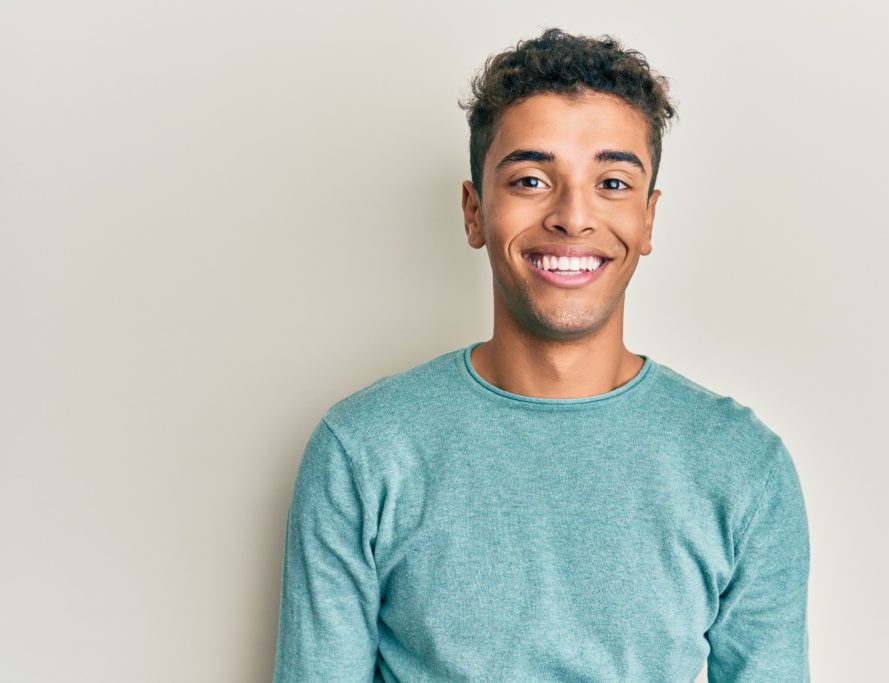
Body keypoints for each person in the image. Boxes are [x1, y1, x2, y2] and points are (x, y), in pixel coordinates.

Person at [273, 28, 810, 683]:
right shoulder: (361, 449)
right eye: (531, 178)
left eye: (611, 182)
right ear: (474, 212)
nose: (572, 216)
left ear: (648, 219)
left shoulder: (743, 466)